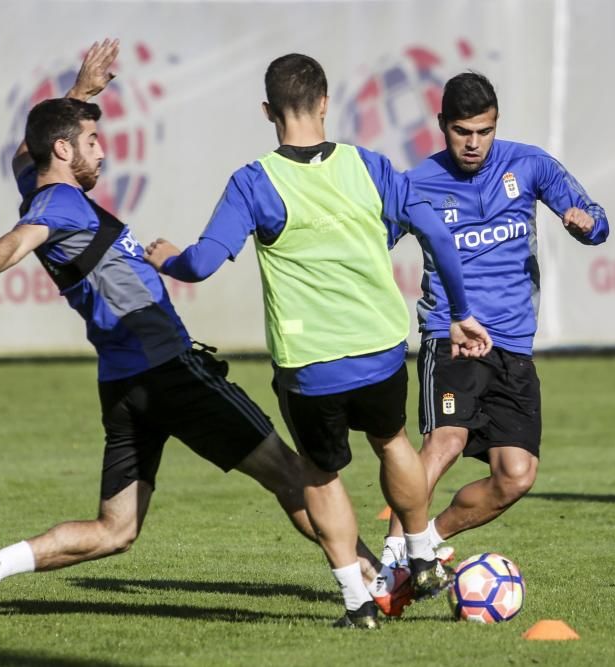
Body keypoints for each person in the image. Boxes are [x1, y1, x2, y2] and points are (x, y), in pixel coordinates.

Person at [0, 40, 398, 623]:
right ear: (64, 149)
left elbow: (28, 153)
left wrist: (78, 98)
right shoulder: (59, 205)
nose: (104, 154)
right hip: (172, 371)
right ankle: (375, 584)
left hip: (125, 385)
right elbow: (18, 240)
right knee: (294, 474)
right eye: (93, 142)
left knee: (115, 529)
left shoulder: (41, 185)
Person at [144, 53, 493, 629]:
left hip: (310, 363)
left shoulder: (255, 181)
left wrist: (169, 261)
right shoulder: (370, 166)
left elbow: (203, 263)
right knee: (393, 440)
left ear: (267, 111)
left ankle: (358, 604)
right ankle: (422, 554)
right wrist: (459, 312)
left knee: (320, 473)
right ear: (326, 103)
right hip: (379, 345)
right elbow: (435, 231)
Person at [379, 72, 609, 567]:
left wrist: (586, 226)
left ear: (496, 124)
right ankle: (394, 562)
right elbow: (371, 246)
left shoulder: (529, 165)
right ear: (442, 125)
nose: (474, 143)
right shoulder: (415, 185)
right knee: (445, 441)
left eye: (484, 131)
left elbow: (595, 216)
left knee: (516, 475)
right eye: (463, 131)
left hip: (512, 345)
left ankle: (431, 540)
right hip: (451, 335)